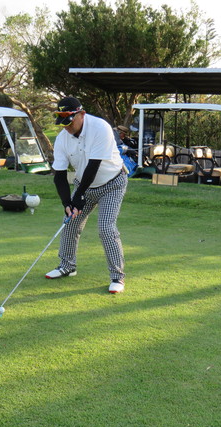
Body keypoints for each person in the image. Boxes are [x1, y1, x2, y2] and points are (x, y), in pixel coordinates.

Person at [46, 96, 128, 294]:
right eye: (62, 122)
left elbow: (93, 165)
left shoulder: (100, 127)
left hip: (112, 184)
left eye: (69, 121)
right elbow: (59, 175)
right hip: (84, 184)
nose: (66, 127)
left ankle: (117, 277)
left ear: (81, 114)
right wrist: (67, 203)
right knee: (70, 222)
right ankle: (67, 266)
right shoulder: (62, 139)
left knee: (106, 228)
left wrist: (79, 196)